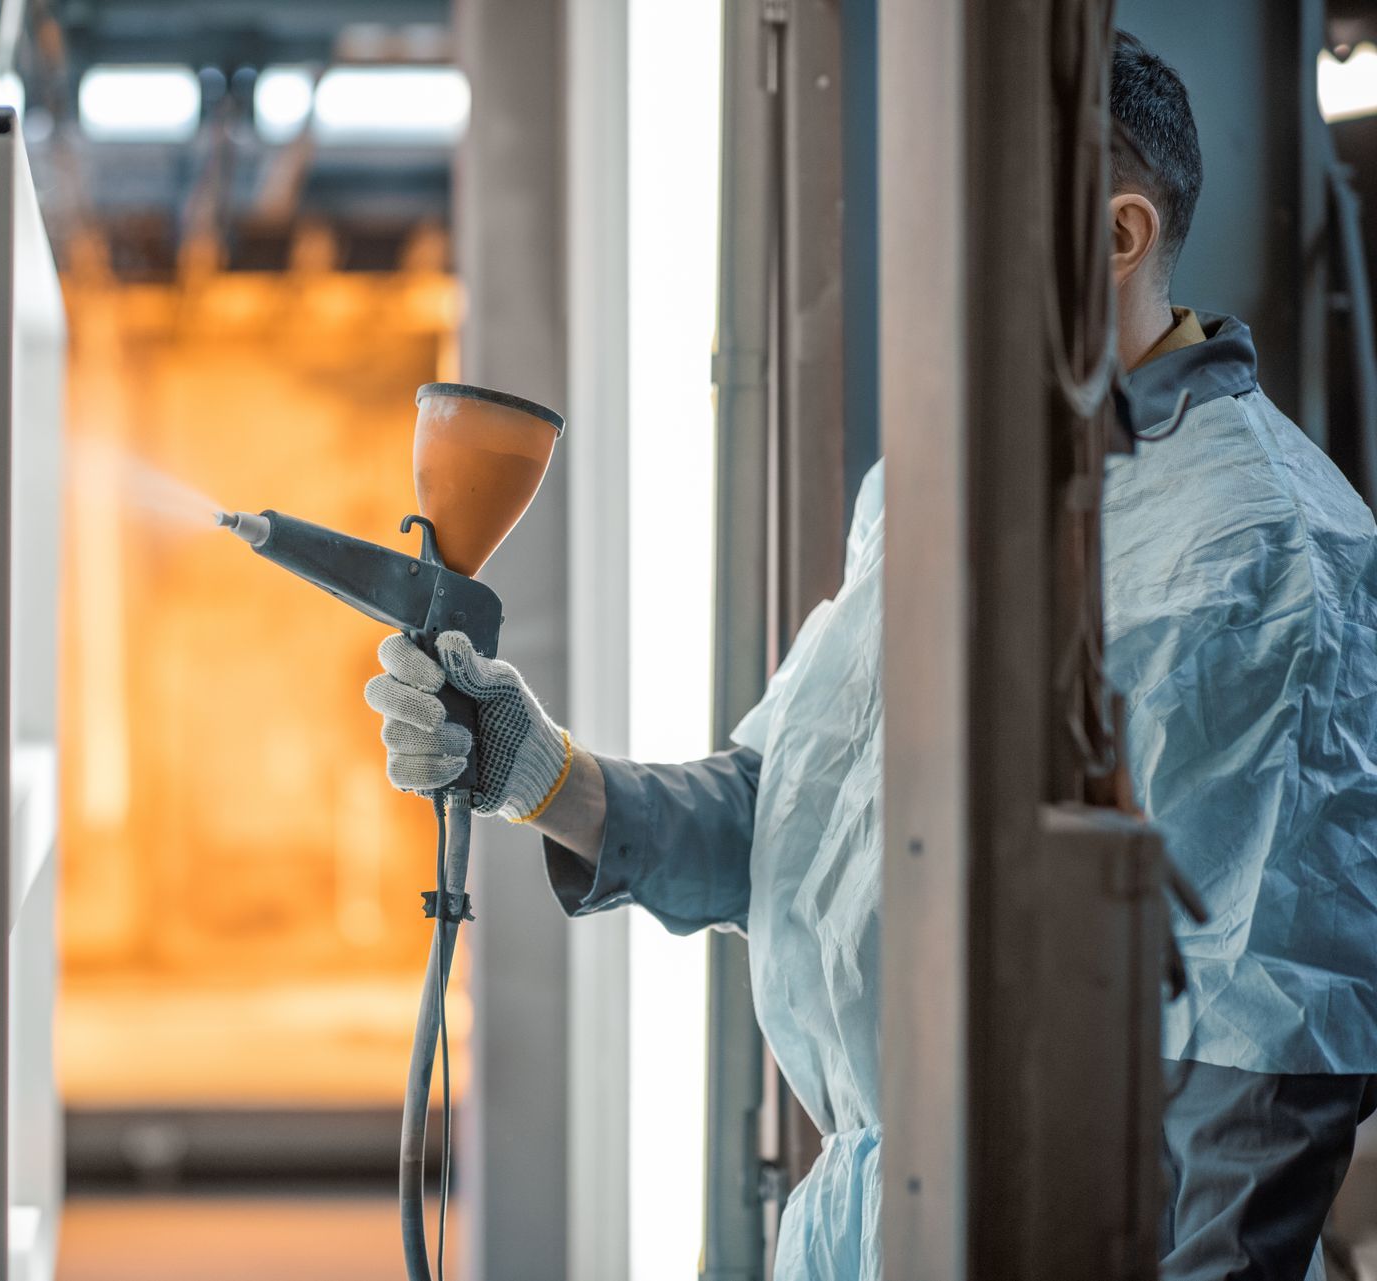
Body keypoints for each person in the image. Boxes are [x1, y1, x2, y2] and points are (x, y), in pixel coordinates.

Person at [365, 32, 1377, 1281]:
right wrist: (541, 773)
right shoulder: (941, 483)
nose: (928, 276)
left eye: (973, 226)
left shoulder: (1267, 551)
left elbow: (1273, 1061)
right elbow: (790, 820)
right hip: (870, 1220)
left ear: (1118, 237)